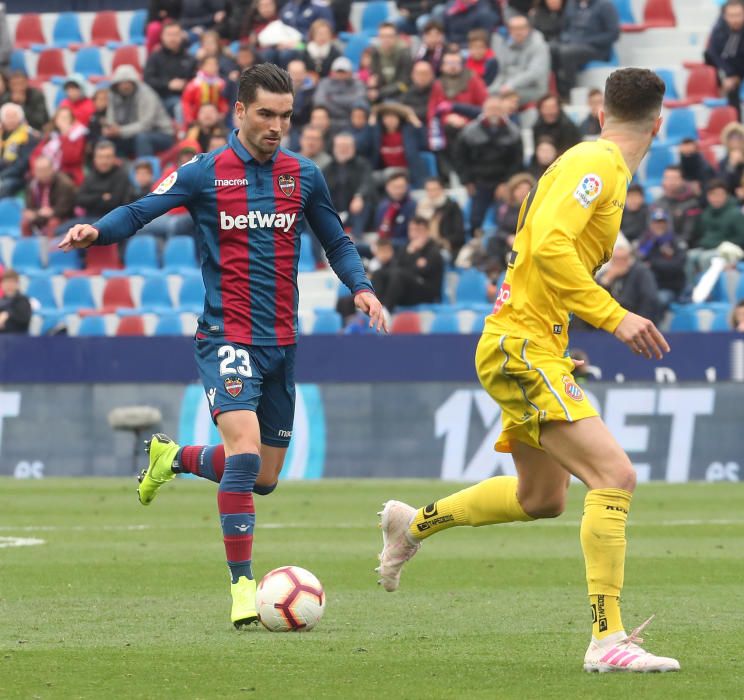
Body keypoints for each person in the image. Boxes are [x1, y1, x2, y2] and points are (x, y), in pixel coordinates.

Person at [57, 64, 386, 629]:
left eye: (285, 116)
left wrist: (362, 287)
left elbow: (336, 239)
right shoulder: (204, 173)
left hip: (283, 342)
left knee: (263, 477)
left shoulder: (304, 176)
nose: (276, 126)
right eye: (265, 114)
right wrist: (96, 230)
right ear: (238, 112)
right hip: (227, 336)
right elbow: (140, 210)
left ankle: (173, 458)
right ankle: (242, 587)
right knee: (246, 455)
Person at [376, 68, 681, 674]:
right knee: (614, 476)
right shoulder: (596, 165)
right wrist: (612, 315)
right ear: (660, 123)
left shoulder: (589, 163)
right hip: (519, 345)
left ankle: (413, 525)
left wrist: (559, 338)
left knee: (542, 498)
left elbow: (540, 257)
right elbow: (546, 247)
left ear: (600, 112)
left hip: (530, 341)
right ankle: (606, 639)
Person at [453, 94, 523, 233]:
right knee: (476, 219)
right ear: (484, 110)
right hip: (479, 182)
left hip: (503, 182)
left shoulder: (513, 132)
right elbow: (460, 158)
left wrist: (507, 184)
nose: (494, 112)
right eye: (491, 109)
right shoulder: (469, 132)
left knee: (508, 219)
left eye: (497, 109)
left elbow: (517, 161)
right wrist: (467, 181)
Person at [56, 139, 133, 231]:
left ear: (114, 158)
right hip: (88, 218)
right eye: (100, 157)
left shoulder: (121, 176)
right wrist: (101, 197)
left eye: (108, 157)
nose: (104, 161)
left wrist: (91, 199)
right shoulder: (91, 176)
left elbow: (114, 202)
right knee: (60, 231)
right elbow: (79, 199)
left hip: (110, 220)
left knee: (79, 236)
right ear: (95, 159)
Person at [371, 215, 444, 311]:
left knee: (399, 275)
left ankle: (386, 311)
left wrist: (413, 254)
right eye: (411, 230)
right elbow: (395, 267)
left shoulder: (434, 251)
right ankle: (377, 307)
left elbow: (422, 271)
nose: (414, 234)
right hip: (405, 289)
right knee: (379, 273)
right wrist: (410, 254)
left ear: (427, 231)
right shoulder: (406, 248)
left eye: (418, 230)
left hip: (426, 292)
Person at [551, 0, 619, 99]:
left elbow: (613, 34)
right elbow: (565, 29)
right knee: (551, 48)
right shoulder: (571, 4)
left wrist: (585, 41)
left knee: (567, 52)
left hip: (596, 48)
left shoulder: (605, 5)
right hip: (572, 43)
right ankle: (556, 91)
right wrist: (567, 39)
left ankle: (569, 93)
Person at [105, 64, 176, 158]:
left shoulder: (146, 94)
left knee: (142, 138)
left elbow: (145, 125)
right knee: (105, 140)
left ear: (134, 82)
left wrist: (120, 131)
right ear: (116, 85)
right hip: (130, 133)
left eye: (128, 82)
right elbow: (110, 118)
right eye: (122, 83)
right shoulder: (113, 95)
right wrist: (110, 129)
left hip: (161, 133)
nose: (125, 86)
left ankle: (144, 169)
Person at [322, 132, 375, 239]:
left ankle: (355, 238)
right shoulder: (328, 168)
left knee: (363, 204)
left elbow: (367, 182)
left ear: (354, 148)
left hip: (356, 210)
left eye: (347, 146)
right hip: (335, 211)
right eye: (340, 146)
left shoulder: (363, 165)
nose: (343, 149)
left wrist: (359, 196)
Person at [489, 14, 550, 106]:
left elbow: (534, 73)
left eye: (521, 28)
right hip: (509, 88)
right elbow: (503, 72)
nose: (518, 32)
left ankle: (508, 119)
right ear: (510, 30)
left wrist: (510, 85)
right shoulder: (507, 46)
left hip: (533, 89)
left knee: (502, 101)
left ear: (528, 29)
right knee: (487, 95)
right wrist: (494, 88)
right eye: (514, 29)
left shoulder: (539, 46)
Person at [688, 178, 744, 276]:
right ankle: (692, 288)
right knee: (690, 256)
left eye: (719, 194)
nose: (716, 198)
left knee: (706, 257)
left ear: (726, 195)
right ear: (708, 196)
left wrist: (721, 243)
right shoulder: (705, 213)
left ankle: (709, 290)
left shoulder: (735, 214)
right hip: (706, 248)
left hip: (728, 251)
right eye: (712, 194)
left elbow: (741, 238)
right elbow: (700, 235)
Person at [598, 239, 660, 323]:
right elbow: (596, 299)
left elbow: (649, 298)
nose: (619, 262)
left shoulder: (641, 272)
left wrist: (639, 321)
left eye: (623, 259)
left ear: (630, 259)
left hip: (634, 318)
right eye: (616, 259)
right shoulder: (606, 274)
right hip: (609, 321)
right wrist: (606, 280)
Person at [144, 22, 198, 118]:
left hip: (186, 96)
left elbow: (196, 79)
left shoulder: (190, 58)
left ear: (181, 36)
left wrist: (185, 84)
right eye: (169, 35)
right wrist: (168, 84)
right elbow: (148, 80)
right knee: (179, 106)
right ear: (162, 37)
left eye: (176, 34)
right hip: (160, 98)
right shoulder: (155, 57)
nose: (172, 38)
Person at [636, 208, 686, 307]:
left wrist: (653, 264)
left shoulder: (675, 240)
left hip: (668, 286)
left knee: (657, 300)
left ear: (667, 224)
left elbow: (677, 265)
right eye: (656, 222)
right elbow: (639, 261)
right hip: (647, 286)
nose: (659, 225)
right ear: (651, 224)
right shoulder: (645, 241)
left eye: (662, 222)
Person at [705, 0, 744, 119]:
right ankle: (737, 128)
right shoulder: (719, 27)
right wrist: (729, 75)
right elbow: (713, 52)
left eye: (738, 15)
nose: (735, 19)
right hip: (730, 65)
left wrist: (737, 77)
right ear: (725, 16)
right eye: (731, 16)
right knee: (707, 55)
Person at [22, 155, 77, 237]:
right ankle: (26, 248)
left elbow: (65, 209)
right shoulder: (32, 185)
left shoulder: (64, 184)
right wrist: (36, 213)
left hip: (61, 216)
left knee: (53, 223)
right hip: (40, 215)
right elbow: (29, 208)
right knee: (25, 223)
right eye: (39, 170)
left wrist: (52, 212)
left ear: (52, 169)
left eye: (45, 170)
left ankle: (51, 249)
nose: (42, 173)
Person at [312, 57, 367, 134]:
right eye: (338, 71)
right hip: (329, 120)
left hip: (350, 120)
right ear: (332, 72)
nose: (341, 74)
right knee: (319, 113)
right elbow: (319, 101)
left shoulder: (358, 84)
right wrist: (347, 101)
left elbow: (359, 100)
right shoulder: (324, 83)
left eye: (344, 72)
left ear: (350, 72)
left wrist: (332, 98)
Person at [416, 176, 466, 258]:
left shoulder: (451, 206)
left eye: (434, 189)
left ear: (442, 189)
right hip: (423, 245)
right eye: (428, 190)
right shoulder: (421, 207)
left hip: (445, 246)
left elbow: (459, 234)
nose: (431, 193)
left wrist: (442, 242)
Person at [653, 165, 702, 245]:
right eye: (667, 178)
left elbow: (688, 235)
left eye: (674, 178)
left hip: (684, 248)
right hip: (659, 247)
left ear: (682, 180)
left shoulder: (692, 204)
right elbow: (650, 230)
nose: (671, 182)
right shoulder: (657, 204)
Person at [0, 102, 38, 198]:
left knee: (5, 186)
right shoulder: (2, 134)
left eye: (14, 116)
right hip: (3, 173)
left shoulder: (28, 136)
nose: (10, 120)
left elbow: (23, 164)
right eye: (7, 117)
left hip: (18, 176)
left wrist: (2, 176)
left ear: (20, 118)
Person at [181, 55, 230, 126]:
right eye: (209, 64)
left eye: (215, 64)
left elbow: (223, 101)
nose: (212, 67)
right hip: (196, 119)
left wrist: (222, 113)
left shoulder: (221, 84)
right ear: (202, 66)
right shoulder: (194, 84)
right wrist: (190, 118)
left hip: (216, 118)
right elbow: (186, 102)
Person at [369, 22, 413, 101]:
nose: (386, 40)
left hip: (401, 93)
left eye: (390, 36)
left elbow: (404, 83)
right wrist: (372, 87)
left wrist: (380, 93)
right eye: (383, 36)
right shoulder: (375, 53)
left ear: (396, 37)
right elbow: (374, 76)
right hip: (381, 92)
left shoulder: (404, 54)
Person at [375, 170, 417, 244]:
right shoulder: (383, 206)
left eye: (401, 187)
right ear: (387, 187)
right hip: (383, 245)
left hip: (403, 246)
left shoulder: (412, 206)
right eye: (395, 187)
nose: (398, 191)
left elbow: (412, 237)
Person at [0, 269, 32, 334]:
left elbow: (24, 319)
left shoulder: (23, 300)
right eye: (6, 282)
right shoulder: (1, 301)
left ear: (17, 284)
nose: (9, 285)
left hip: (18, 339)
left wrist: (7, 314)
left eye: (12, 282)